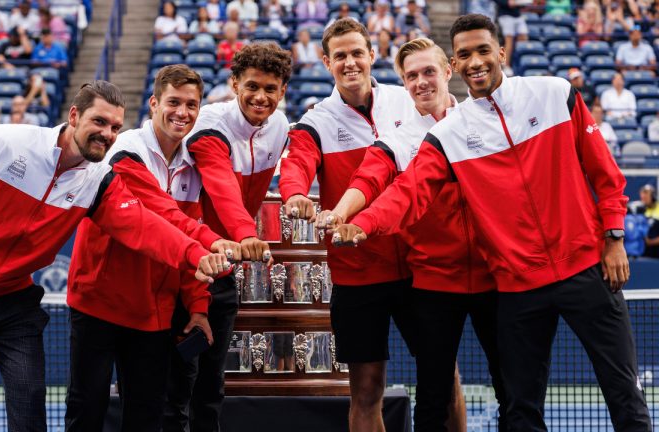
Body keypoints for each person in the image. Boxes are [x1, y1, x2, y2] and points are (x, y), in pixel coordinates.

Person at [333, 14, 652, 431]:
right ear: (457, 62)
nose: (475, 61)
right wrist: (365, 223)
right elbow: (408, 191)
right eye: (465, 54)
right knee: (520, 407)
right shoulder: (450, 134)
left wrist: (613, 237)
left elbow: (606, 175)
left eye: (483, 50)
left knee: (623, 392)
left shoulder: (555, 94)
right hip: (518, 288)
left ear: (501, 51)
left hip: (587, 269)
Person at [0, 80, 229, 431]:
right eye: (99, 122)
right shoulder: (6, 142)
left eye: (115, 127)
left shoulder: (99, 180)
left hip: (13, 305)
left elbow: (144, 226)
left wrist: (196, 254)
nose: (108, 134)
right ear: (74, 115)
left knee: (30, 408)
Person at [279, 19, 466, 432]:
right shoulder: (317, 119)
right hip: (359, 273)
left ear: (372, 55)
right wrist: (294, 193)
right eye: (340, 56)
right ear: (326, 62)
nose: (350, 63)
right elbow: (297, 162)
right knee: (366, 390)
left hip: (421, 269)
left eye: (357, 53)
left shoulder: (407, 99)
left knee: (444, 378)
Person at [316, 37, 505, 432]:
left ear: (448, 71)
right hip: (435, 284)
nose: (421, 82)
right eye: (411, 76)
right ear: (403, 84)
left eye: (428, 72)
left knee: (513, 388)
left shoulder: (487, 118)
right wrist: (342, 214)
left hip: (495, 276)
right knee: (433, 396)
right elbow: (369, 179)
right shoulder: (399, 138)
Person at [65, 66, 241, 432]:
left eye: (192, 105)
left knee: (147, 417)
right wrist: (211, 240)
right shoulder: (126, 149)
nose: (183, 112)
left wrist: (198, 307)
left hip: (153, 314)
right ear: (153, 103)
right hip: (99, 304)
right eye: (173, 102)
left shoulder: (193, 166)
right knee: (86, 411)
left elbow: (187, 248)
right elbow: (164, 219)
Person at [163, 42, 292, 432]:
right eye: (252, 86)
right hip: (186, 266)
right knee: (177, 385)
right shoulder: (209, 125)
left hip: (223, 271)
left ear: (283, 91)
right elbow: (220, 185)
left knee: (212, 384)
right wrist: (245, 235)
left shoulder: (281, 126)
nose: (260, 97)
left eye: (271, 89)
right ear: (234, 84)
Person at [494, 0, 528, 76]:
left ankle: (519, 63)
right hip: (505, 16)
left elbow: (521, 4)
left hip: (517, 15)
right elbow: (508, 3)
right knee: (509, 41)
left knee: (523, 39)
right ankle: (506, 65)